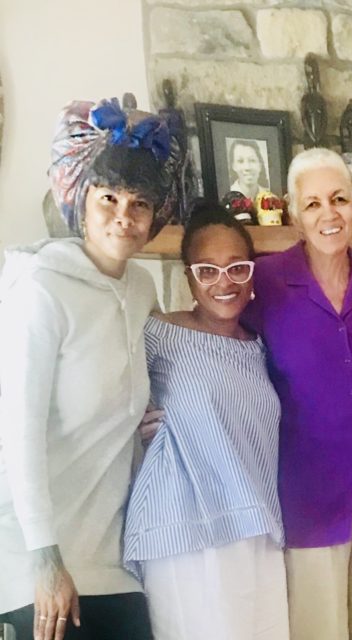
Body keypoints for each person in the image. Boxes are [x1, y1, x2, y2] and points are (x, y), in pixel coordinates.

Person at [0, 96, 184, 640]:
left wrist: (151, 424)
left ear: (154, 219)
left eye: (139, 204)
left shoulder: (141, 290)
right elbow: (19, 434)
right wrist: (45, 560)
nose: (123, 216)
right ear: (82, 203)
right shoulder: (40, 289)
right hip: (34, 562)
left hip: (113, 559)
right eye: (108, 199)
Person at [242, 147, 352, 640]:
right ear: (295, 215)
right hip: (308, 502)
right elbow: (227, 348)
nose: (328, 213)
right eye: (313, 203)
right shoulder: (266, 282)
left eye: (338, 198)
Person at [122, 205, 288, 639]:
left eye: (237, 268)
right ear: (188, 277)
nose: (223, 282)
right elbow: (108, 397)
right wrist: (137, 428)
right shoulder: (159, 334)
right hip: (184, 532)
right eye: (207, 270)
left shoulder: (260, 349)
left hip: (256, 526)